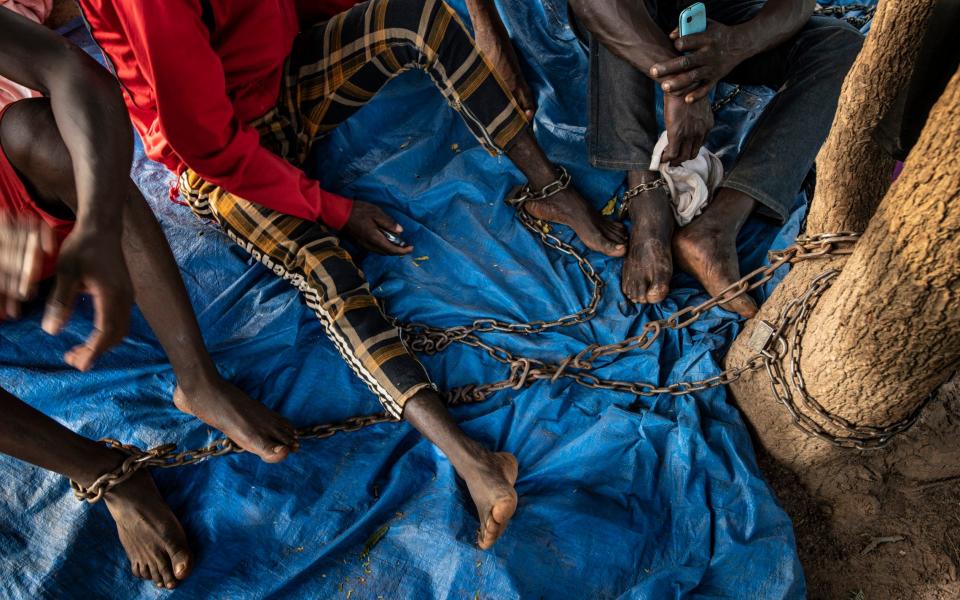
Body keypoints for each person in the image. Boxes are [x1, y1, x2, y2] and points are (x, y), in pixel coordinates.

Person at [76, 0, 629, 550]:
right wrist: (332, 209)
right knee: (326, 270)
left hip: (284, 80)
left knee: (421, 18)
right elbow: (210, 145)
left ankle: (551, 188)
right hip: (222, 159)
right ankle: (469, 457)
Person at [0, 8, 302, 587]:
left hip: (21, 194)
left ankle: (199, 381)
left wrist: (98, 214)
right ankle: (107, 472)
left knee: (40, 131)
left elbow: (70, 71)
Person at [468, 0, 863, 315]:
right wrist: (683, 87)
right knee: (621, 15)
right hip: (620, 13)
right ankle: (648, 204)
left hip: (711, 16)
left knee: (838, 46)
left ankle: (716, 228)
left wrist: (732, 46)